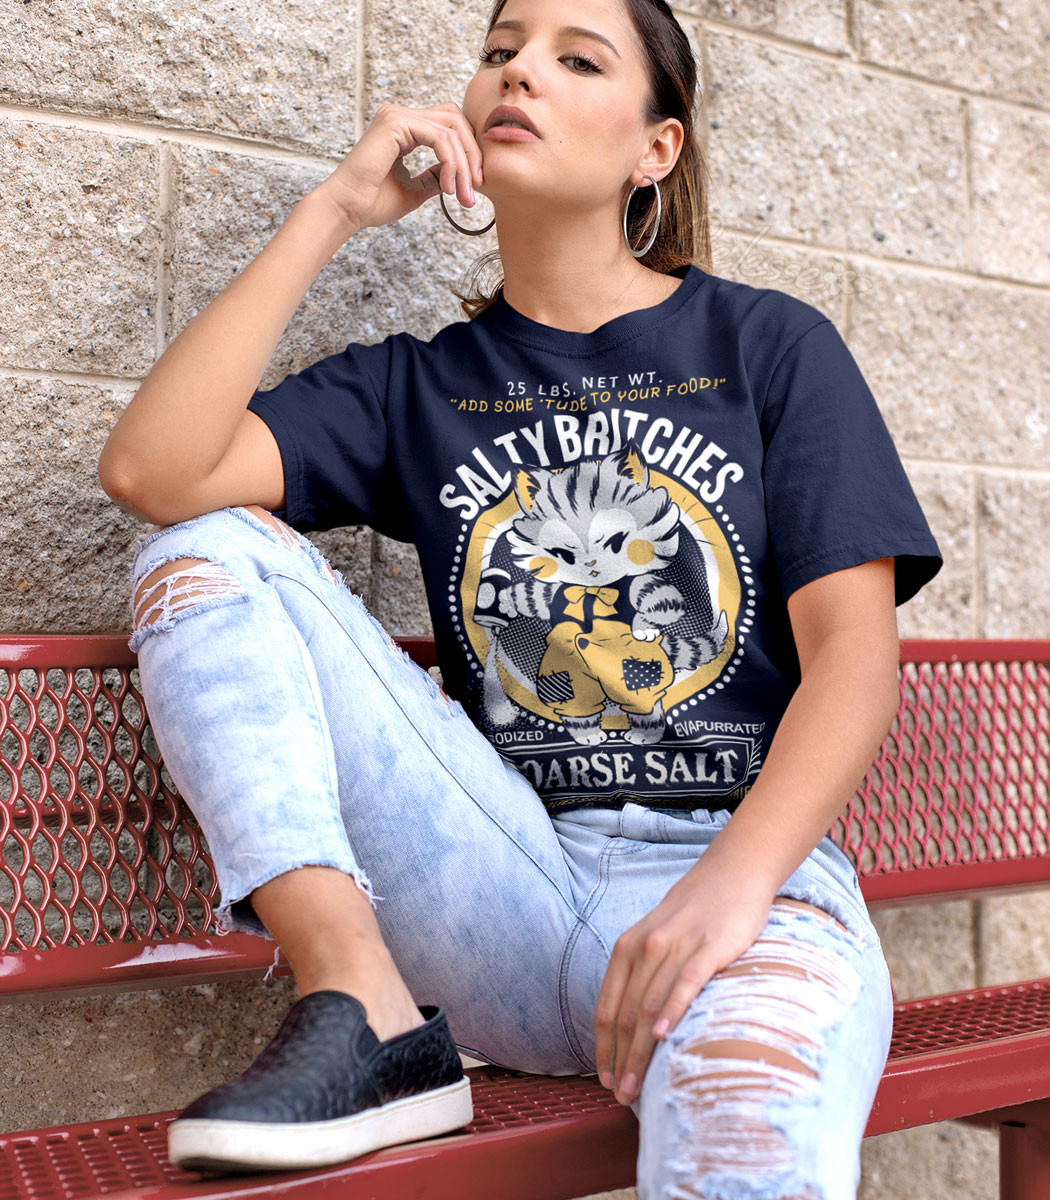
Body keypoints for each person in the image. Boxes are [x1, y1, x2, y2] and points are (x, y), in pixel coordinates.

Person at [97, 0, 942, 1195]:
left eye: (574, 58)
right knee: (204, 549)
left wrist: (731, 890)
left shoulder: (767, 346)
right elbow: (153, 470)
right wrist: (334, 210)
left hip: (739, 887)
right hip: (504, 880)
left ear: (656, 150)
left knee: (749, 1155)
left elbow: (855, 660)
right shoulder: (422, 386)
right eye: (499, 51)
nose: (517, 74)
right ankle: (365, 1006)